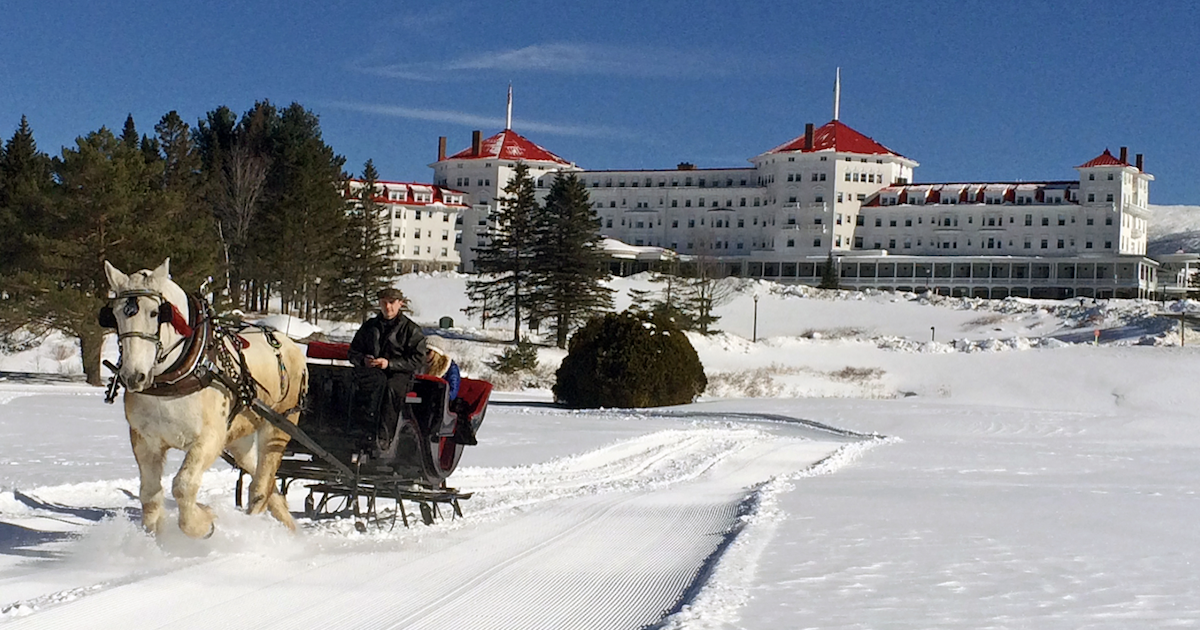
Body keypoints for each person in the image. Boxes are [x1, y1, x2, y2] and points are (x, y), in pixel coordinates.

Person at [348, 288, 427, 436]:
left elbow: (418, 359)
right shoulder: (369, 326)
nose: (387, 307)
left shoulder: (411, 330)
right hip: (370, 372)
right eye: (384, 303)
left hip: (400, 375)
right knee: (346, 382)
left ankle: (385, 434)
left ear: (400, 303)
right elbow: (353, 352)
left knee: (390, 388)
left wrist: (389, 364)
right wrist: (363, 360)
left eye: (391, 302)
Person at [426, 345, 477, 445]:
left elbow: (452, 392)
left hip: (442, 402)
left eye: (428, 351)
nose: (424, 354)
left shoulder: (450, 368)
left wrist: (439, 394)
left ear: (437, 353)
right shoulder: (422, 365)